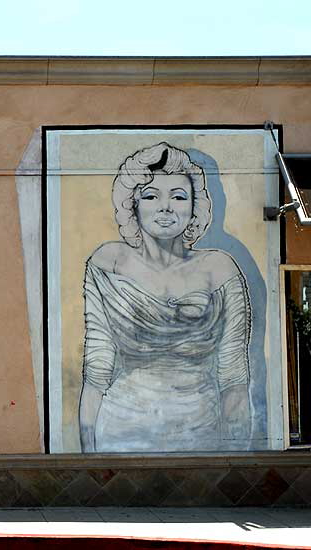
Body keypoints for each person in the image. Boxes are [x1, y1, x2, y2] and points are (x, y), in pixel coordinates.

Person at [79, 142, 251, 452]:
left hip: (202, 433)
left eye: (178, 196)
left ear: (194, 206)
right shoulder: (108, 263)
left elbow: (234, 374)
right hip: (118, 432)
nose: (166, 207)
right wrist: (88, 456)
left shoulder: (219, 268)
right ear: (132, 205)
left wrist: (234, 456)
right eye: (151, 196)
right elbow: (97, 365)